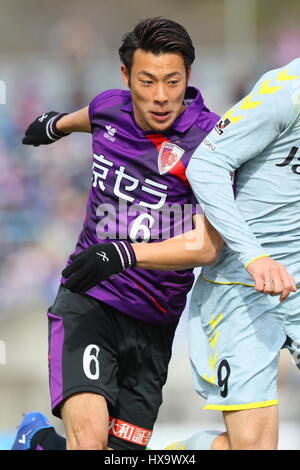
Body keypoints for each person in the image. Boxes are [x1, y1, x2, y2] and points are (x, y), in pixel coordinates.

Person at [12, 17, 224, 451]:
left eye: (173, 81)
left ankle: (36, 441)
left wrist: (125, 254)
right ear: (127, 77)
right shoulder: (111, 107)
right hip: (90, 303)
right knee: (89, 444)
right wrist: (55, 125)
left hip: (155, 324)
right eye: (147, 81)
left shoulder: (211, 142)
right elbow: (91, 117)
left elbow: (206, 244)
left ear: (188, 78)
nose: (161, 96)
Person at [164, 58, 299, 450]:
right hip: (242, 285)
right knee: (253, 446)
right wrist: (255, 255)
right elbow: (207, 164)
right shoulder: (288, 93)